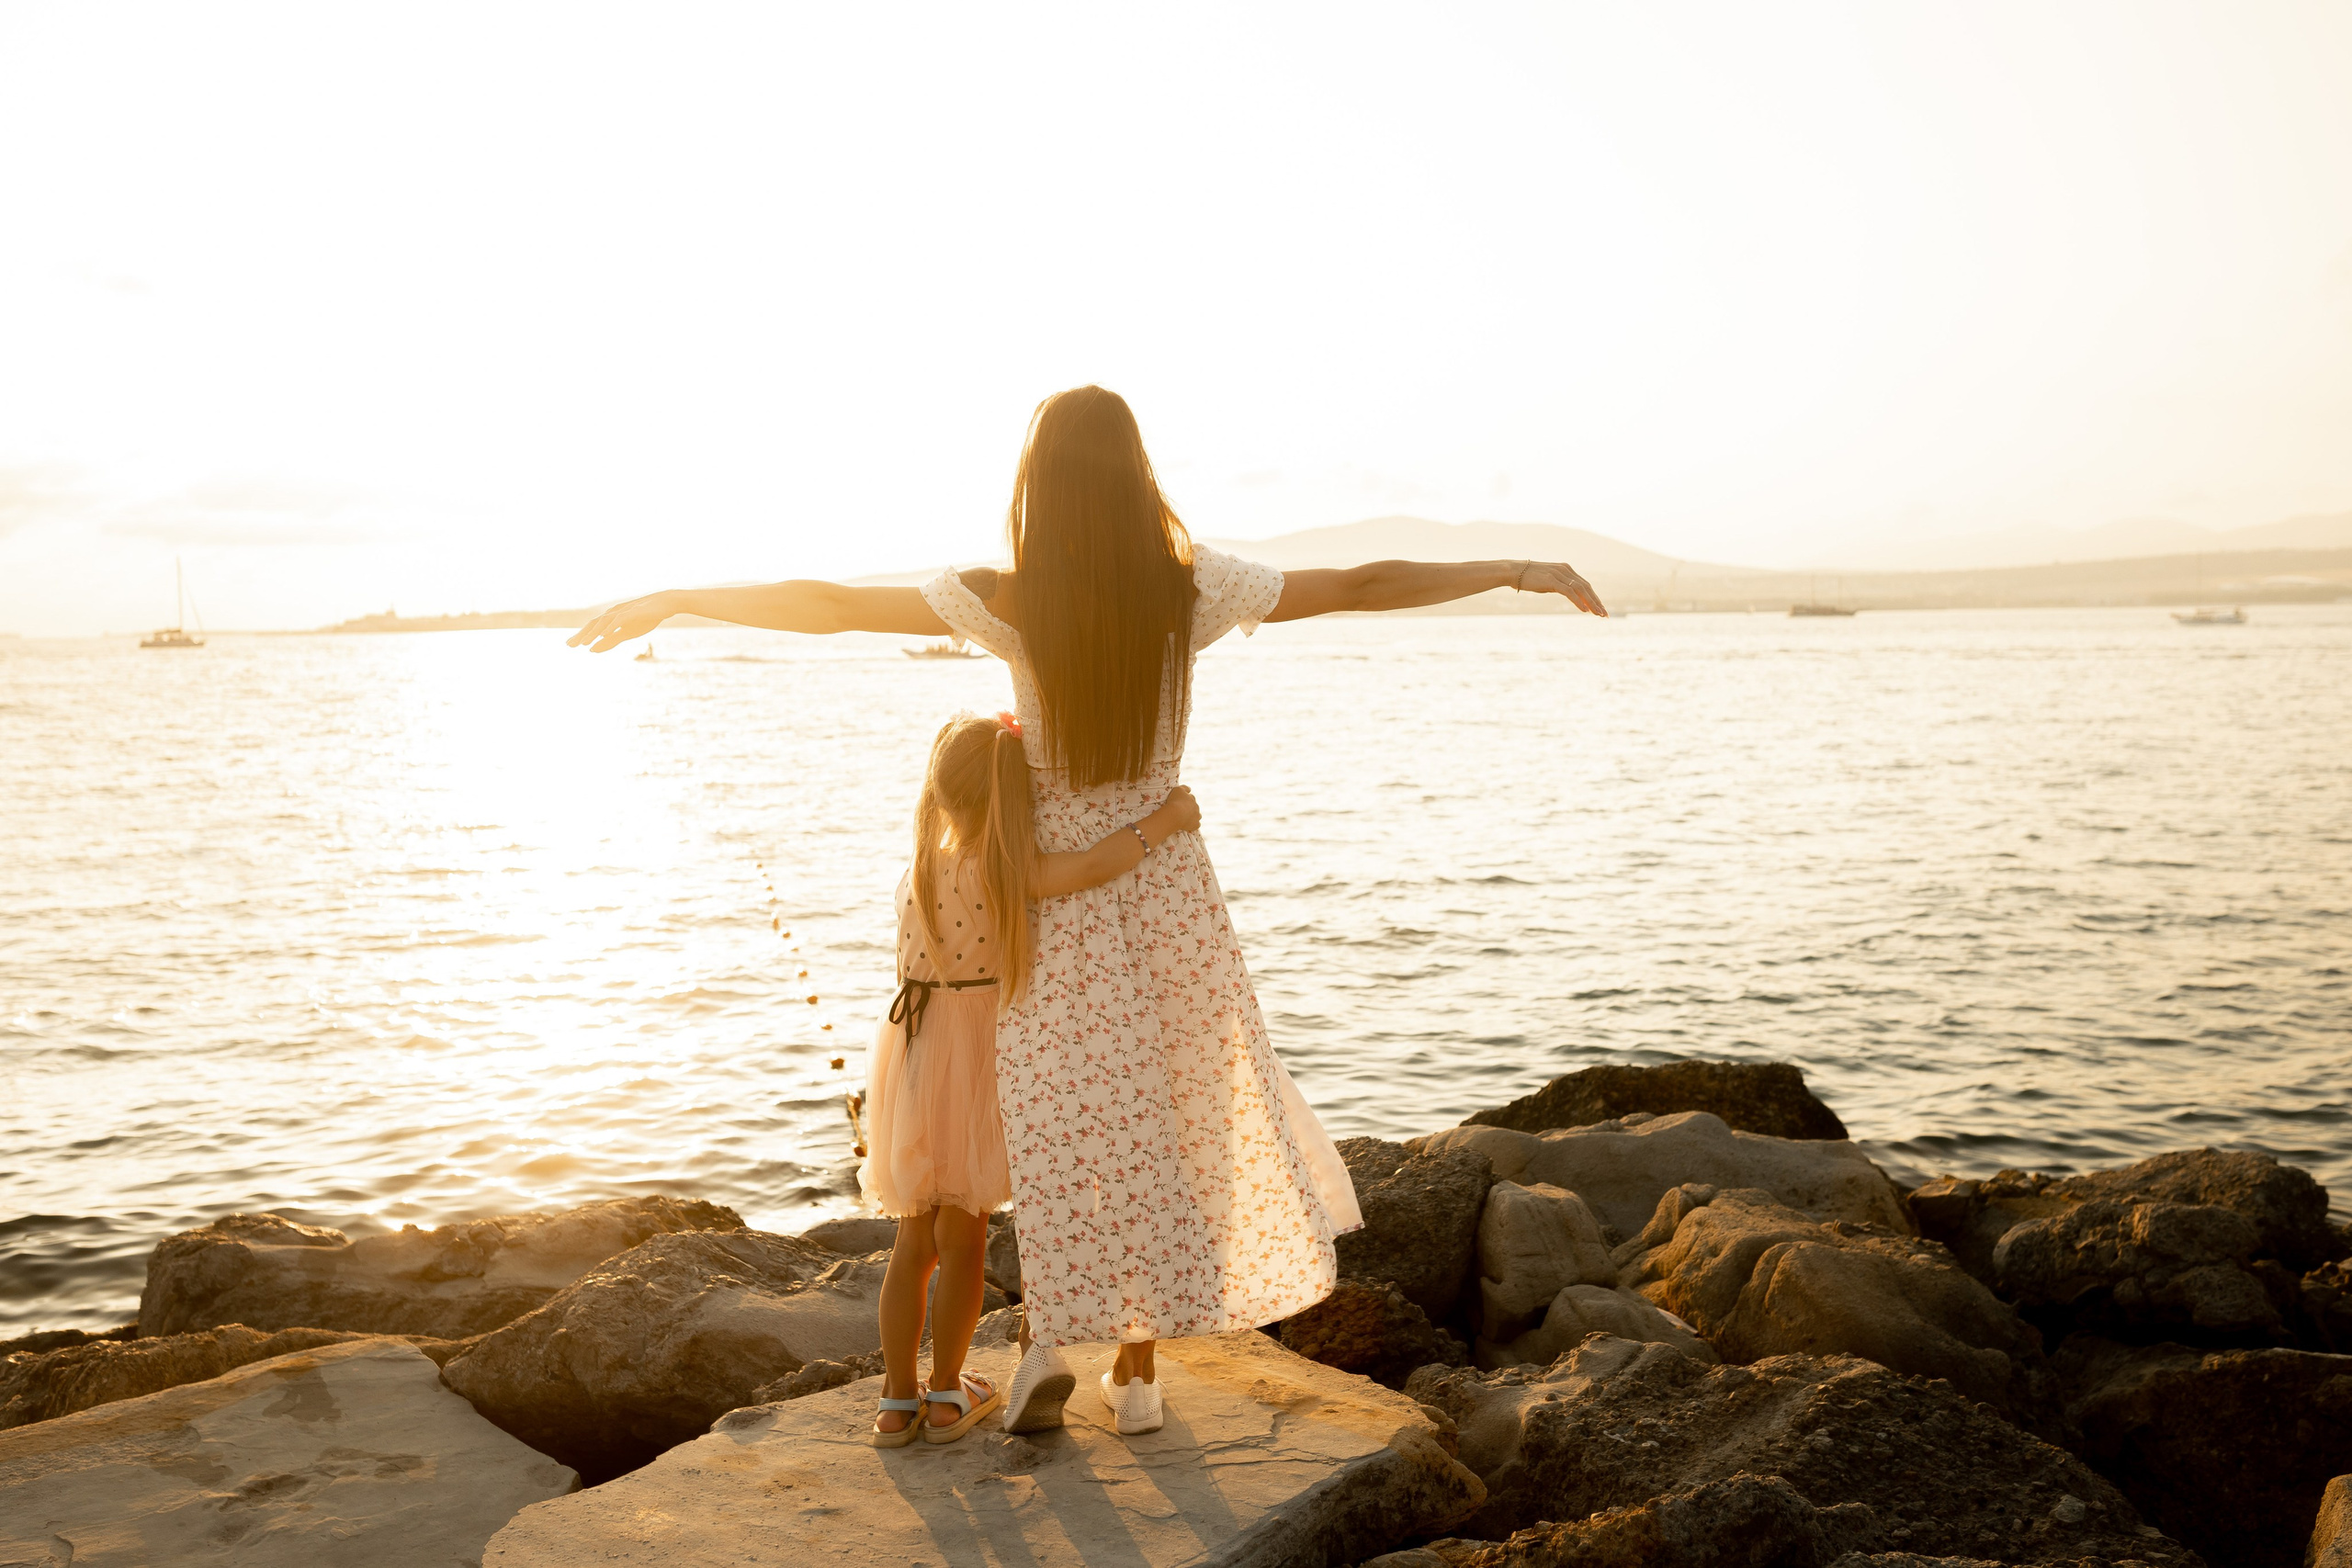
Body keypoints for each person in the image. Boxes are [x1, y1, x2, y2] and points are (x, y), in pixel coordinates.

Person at [571, 385, 1608, 1439]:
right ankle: (1140, 1375)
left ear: (1037, 486)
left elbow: (832, 603)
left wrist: (682, 595)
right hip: (1163, 882)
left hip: (1051, 887)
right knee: (1157, 1120)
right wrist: (1513, 568)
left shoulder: (1008, 596)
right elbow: (1361, 581)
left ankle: (1040, 1354)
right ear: (1135, 475)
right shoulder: (1194, 589)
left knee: (1061, 1131)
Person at [861, 709, 1202, 1445]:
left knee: (913, 1237)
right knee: (965, 1233)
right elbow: (1095, 865)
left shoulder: (918, 866)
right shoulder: (1006, 868)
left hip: (914, 1053)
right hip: (978, 1059)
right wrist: (1166, 818)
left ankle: (897, 1401)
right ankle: (949, 1394)